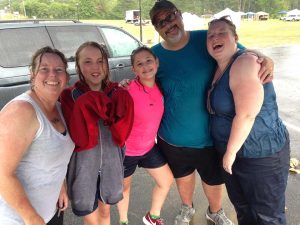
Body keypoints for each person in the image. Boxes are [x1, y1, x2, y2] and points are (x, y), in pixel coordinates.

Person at [148, 1, 275, 225]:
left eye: (171, 16)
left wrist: (265, 58)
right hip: (173, 138)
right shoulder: (155, 56)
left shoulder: (205, 39)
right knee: (183, 178)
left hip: (209, 138)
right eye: (161, 22)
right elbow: (143, 84)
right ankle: (187, 208)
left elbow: (239, 52)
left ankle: (215, 211)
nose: (168, 24)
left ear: (179, 15)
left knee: (214, 180)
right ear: (157, 29)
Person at [206, 17, 290, 225]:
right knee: (243, 209)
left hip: (261, 154)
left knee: (267, 216)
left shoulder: (245, 62)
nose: (215, 37)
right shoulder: (219, 67)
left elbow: (247, 114)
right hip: (234, 155)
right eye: (210, 35)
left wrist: (230, 153)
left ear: (235, 38)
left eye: (221, 32)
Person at [60, 41, 134, 225]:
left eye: (100, 61)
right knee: (91, 218)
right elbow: (75, 139)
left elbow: (122, 136)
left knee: (105, 213)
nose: (95, 67)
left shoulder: (118, 93)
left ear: (106, 64)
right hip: (83, 168)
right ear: (78, 66)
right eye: (88, 62)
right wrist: (88, 104)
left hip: (111, 166)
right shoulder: (70, 96)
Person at [0, 46, 75, 225]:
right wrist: (31, 218)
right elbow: (2, 173)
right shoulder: (21, 110)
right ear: (32, 75)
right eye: (44, 69)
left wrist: (60, 186)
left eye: (59, 70)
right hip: (19, 219)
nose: (53, 75)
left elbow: (53, 159)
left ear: (66, 77)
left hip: (51, 211)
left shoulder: (59, 108)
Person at [116, 46, 173, 225]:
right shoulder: (128, 89)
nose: (145, 66)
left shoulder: (161, 86)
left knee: (166, 181)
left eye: (149, 60)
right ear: (134, 70)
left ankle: (152, 217)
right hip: (127, 150)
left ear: (156, 63)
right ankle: (123, 221)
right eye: (139, 64)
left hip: (149, 148)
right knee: (124, 189)